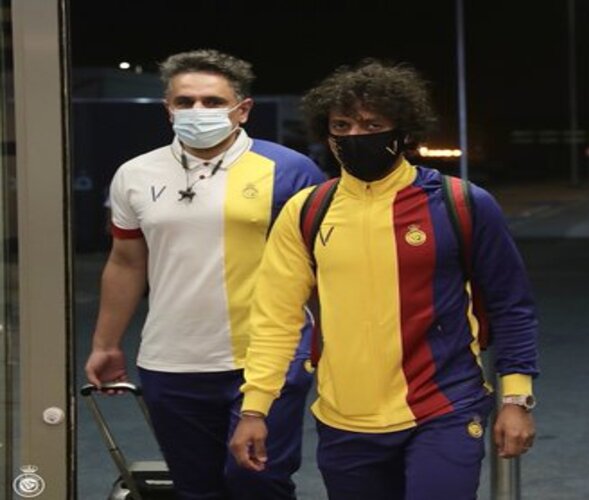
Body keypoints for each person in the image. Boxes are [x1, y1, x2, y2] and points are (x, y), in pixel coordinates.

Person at [229, 58, 539, 500]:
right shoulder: (306, 211)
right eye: (342, 125)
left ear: (404, 131)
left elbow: (512, 306)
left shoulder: (461, 204)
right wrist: (255, 408)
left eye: (372, 124)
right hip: (344, 419)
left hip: (444, 407)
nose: (355, 136)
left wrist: (516, 399)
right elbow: (275, 319)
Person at [84, 48, 326, 500]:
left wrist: (331, 344)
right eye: (185, 101)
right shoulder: (134, 174)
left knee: (257, 481)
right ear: (168, 109)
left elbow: (320, 267)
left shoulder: (291, 171)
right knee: (197, 489)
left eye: (213, 102)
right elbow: (126, 261)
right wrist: (105, 344)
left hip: (267, 357)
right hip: (170, 361)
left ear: (243, 109)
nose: (198, 111)